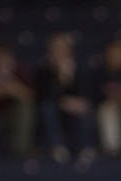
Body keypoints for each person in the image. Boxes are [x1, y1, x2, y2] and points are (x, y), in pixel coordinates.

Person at [35, 33, 96, 163]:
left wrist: (75, 98)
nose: (59, 52)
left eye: (62, 48)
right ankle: (57, 147)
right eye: (55, 48)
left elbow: (86, 94)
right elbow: (42, 96)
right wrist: (60, 80)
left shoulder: (79, 68)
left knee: (83, 109)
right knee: (47, 108)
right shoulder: (43, 70)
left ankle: (86, 148)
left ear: (69, 51)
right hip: (54, 107)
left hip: (74, 107)